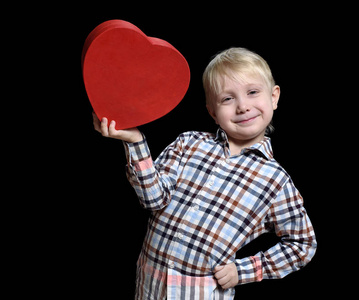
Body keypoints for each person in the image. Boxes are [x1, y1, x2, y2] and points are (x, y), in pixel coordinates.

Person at [93, 47, 317, 300]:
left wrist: (244, 270)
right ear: (212, 111)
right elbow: (153, 200)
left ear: (274, 97)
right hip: (150, 282)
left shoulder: (275, 181)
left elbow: (302, 245)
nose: (243, 106)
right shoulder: (189, 143)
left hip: (202, 292)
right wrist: (135, 141)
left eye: (253, 92)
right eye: (227, 99)